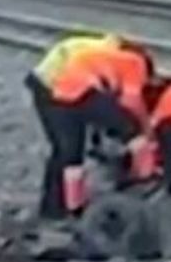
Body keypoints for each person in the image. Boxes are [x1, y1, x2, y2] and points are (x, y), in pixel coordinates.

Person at [40, 40, 153, 218]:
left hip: (60, 93)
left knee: (71, 155)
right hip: (84, 87)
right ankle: (144, 177)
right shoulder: (136, 64)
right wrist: (146, 130)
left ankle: (72, 209)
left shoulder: (109, 57)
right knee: (132, 130)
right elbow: (132, 101)